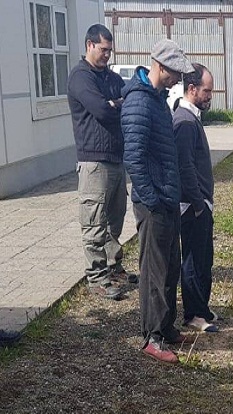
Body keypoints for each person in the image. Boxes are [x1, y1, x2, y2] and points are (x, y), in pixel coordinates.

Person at [121, 39, 195, 364]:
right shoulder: (139, 102)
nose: (178, 80)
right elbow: (134, 160)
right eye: (175, 73)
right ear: (160, 66)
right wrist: (152, 200)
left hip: (167, 200)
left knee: (170, 268)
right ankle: (152, 337)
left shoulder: (159, 100)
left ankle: (166, 327)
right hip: (154, 205)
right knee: (154, 272)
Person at [67, 24, 137, 300]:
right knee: (94, 222)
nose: (108, 55)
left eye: (110, 50)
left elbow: (126, 101)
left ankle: (112, 268)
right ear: (89, 45)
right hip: (94, 163)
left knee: (114, 221)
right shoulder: (81, 77)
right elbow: (101, 111)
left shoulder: (108, 76)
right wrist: (113, 104)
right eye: (103, 49)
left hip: (115, 160)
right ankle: (96, 278)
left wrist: (115, 103)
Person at [173, 63, 219, 333]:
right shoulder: (185, 122)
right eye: (207, 90)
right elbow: (184, 167)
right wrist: (199, 203)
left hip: (200, 204)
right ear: (192, 89)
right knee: (192, 260)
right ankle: (193, 315)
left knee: (204, 259)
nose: (210, 96)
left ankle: (201, 308)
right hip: (192, 207)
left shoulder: (191, 118)